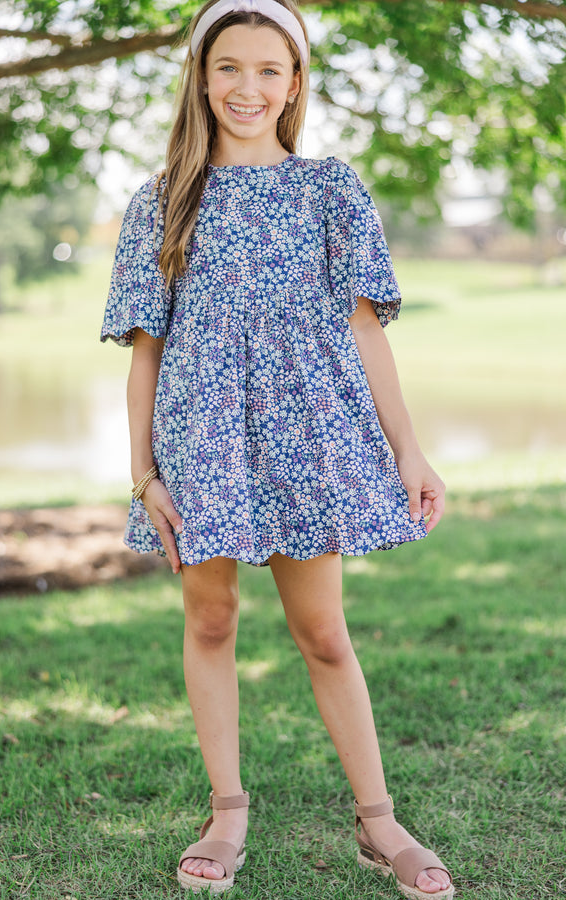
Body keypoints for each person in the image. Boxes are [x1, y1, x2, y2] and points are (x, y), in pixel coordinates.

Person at [101, 1, 453, 897]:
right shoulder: (163, 199)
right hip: (202, 438)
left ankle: (379, 823)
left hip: (310, 433)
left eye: (268, 70)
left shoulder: (330, 189)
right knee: (210, 620)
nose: (246, 88)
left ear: (295, 84)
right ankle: (228, 811)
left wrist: (409, 450)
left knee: (323, 631)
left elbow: (367, 332)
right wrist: (144, 476)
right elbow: (146, 356)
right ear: (201, 76)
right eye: (228, 68)